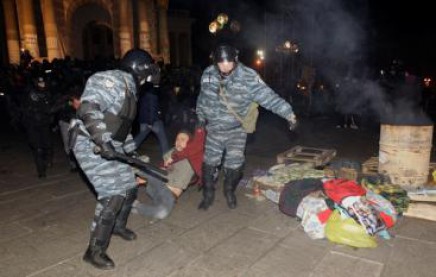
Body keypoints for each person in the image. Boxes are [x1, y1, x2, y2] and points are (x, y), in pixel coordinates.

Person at [70, 49, 159, 270]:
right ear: (139, 69)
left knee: (129, 186)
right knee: (113, 194)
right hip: (88, 142)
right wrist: (102, 142)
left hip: (109, 142)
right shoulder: (110, 79)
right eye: (147, 72)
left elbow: (121, 128)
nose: (149, 78)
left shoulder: (129, 88)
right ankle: (94, 251)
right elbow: (88, 108)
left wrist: (131, 154)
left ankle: (117, 226)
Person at [196, 43, 298, 210]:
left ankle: (229, 191)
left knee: (234, 165)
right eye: (220, 63)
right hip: (213, 129)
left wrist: (289, 114)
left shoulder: (248, 76)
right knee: (209, 163)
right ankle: (208, 195)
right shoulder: (208, 74)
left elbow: (269, 97)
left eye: (228, 62)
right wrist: (200, 116)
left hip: (236, 130)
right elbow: (202, 98)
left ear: (235, 60)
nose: (224, 66)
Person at [134, 127, 205, 219]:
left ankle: (135, 205)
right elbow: (162, 171)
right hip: (159, 185)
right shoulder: (170, 154)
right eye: (177, 139)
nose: (179, 142)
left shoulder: (192, 155)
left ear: (190, 143)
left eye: (183, 139)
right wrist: (146, 179)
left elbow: (198, 144)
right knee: (154, 172)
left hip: (168, 195)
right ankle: (139, 166)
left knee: (161, 213)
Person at [22, 75, 54, 178]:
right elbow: (26, 109)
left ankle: (47, 160)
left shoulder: (47, 94)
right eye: (40, 83)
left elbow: (50, 108)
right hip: (33, 125)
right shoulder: (30, 94)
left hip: (44, 125)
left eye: (43, 83)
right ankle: (41, 171)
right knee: (38, 149)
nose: (42, 85)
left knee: (47, 146)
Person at [133, 79, 169, 158]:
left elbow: (142, 108)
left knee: (140, 137)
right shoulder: (152, 94)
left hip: (143, 120)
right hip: (152, 121)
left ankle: (129, 149)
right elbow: (152, 109)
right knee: (163, 140)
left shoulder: (142, 94)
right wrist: (150, 123)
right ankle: (167, 158)